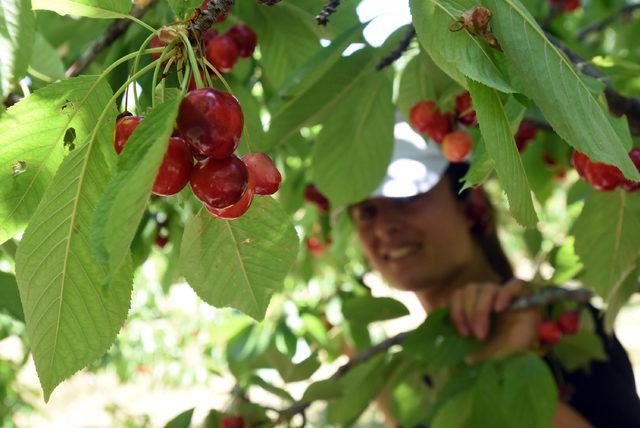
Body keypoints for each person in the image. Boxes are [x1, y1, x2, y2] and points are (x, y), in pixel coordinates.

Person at [347, 120, 640, 427]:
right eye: (366, 211)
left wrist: (502, 367)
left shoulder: (563, 323)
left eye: (406, 198)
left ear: (472, 205)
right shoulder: (415, 373)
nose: (383, 227)